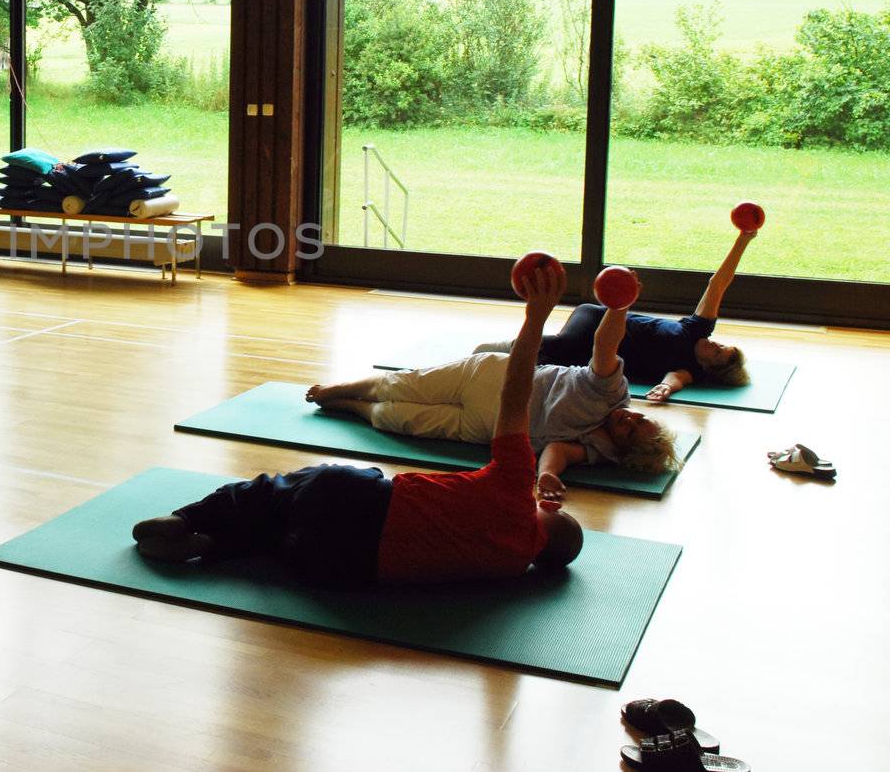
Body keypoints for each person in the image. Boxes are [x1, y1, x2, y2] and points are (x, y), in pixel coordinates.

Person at [132, 260, 585, 584]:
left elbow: (514, 395)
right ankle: (214, 545)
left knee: (271, 493)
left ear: (549, 510)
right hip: (335, 567)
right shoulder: (508, 569)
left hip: (356, 503)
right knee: (276, 536)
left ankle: (188, 519)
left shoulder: (515, 493)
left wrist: (535, 319)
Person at [303, 286, 678, 500]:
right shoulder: (611, 389)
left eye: (629, 428)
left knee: (395, 418)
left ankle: (350, 406)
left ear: (621, 446)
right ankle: (338, 389)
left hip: (483, 427)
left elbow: (558, 451)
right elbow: (605, 347)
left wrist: (545, 476)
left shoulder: (602, 449)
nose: (629, 417)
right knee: (401, 383)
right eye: (639, 417)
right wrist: (619, 306)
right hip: (489, 377)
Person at [474, 227, 758, 400]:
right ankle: (500, 351)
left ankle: (499, 360)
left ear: (708, 367)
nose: (716, 345)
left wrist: (664, 389)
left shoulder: (689, 368)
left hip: (594, 354)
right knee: (566, 346)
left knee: (568, 361)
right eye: (723, 345)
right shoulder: (699, 329)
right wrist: (743, 240)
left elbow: (674, 379)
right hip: (596, 316)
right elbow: (718, 283)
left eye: (718, 353)